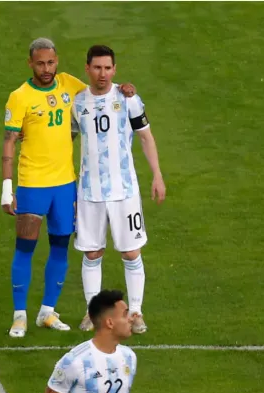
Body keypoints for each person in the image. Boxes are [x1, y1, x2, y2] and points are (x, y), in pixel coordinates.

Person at [1, 38, 136, 338]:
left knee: (60, 247)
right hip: (33, 182)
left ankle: (47, 312)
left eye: (51, 62)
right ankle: (19, 315)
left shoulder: (68, 85)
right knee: (25, 247)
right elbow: (9, 141)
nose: (46, 69)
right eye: (40, 63)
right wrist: (7, 188)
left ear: (57, 61)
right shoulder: (19, 96)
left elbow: (99, 91)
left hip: (65, 185)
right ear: (30, 63)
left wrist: (125, 88)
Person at [70, 45, 166, 334]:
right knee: (92, 253)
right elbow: (64, 140)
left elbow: (146, 138)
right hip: (89, 191)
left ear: (115, 69)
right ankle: (93, 313)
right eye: (97, 68)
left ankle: (135, 313)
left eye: (108, 68)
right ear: (87, 68)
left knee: (131, 252)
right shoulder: (77, 103)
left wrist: (157, 175)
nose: (103, 74)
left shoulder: (128, 100)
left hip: (124, 190)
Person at [43, 289, 137, 393]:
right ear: (110, 322)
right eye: (125, 315)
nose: (131, 319)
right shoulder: (75, 361)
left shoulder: (129, 357)